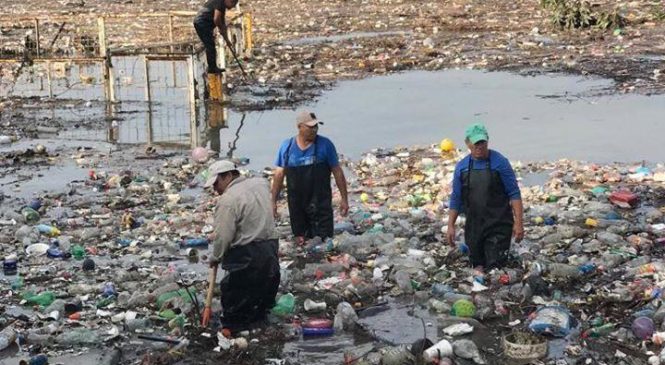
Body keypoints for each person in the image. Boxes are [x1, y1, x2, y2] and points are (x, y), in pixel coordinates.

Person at [204, 160, 280, 332]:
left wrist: (216, 257)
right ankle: (259, 330)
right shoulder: (260, 183)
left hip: (246, 255)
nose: (215, 189)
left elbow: (223, 236)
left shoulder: (228, 200)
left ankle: (234, 332)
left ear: (229, 175)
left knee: (235, 299)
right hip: (270, 249)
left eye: (216, 183)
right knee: (262, 300)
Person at [446, 123, 524, 270]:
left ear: (487, 140)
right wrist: (450, 225)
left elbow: (514, 194)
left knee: (495, 266)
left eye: (482, 142)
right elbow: (456, 198)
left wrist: (518, 223)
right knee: (477, 265)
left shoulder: (500, 163)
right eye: (475, 143)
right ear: (468, 144)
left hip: (499, 224)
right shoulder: (462, 167)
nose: (479, 146)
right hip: (474, 226)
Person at [271, 111, 349, 244]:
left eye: (316, 126)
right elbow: (279, 174)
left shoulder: (325, 145)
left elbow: (337, 172)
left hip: (320, 203)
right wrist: (273, 201)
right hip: (297, 204)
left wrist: (344, 199)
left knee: (324, 242)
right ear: (299, 127)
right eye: (310, 127)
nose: (314, 130)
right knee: (301, 242)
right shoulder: (287, 147)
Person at [193, 0, 238, 74]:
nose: (233, 6)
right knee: (210, 45)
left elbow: (223, 25)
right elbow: (216, 19)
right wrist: (220, 28)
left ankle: (212, 67)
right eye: (233, 3)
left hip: (204, 24)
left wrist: (227, 40)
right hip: (202, 23)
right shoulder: (220, 3)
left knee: (210, 44)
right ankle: (212, 68)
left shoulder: (222, 7)